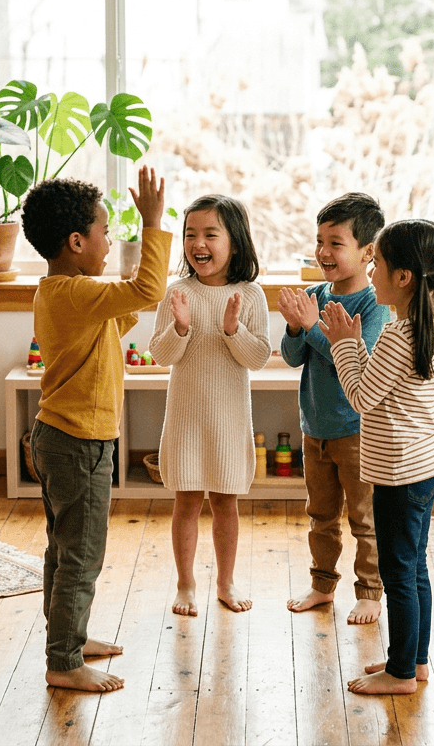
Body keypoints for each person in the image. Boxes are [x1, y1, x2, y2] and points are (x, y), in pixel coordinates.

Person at [24, 166, 169, 693]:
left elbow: (119, 314)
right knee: (81, 556)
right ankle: (63, 662)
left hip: (64, 438)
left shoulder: (63, 292)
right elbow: (147, 288)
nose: (110, 240)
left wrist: (139, 300)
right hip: (78, 443)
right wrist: (153, 224)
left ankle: (69, 637)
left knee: (64, 549)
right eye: (106, 232)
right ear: (76, 241)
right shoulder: (73, 293)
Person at [318, 218, 434, 696]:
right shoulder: (428, 323)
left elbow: (359, 396)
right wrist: (352, 345)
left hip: (400, 473)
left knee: (399, 575)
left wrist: (344, 345)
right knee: (413, 569)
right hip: (423, 466)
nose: (370, 272)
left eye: (377, 264)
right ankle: (412, 663)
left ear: (404, 278)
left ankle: (400, 674)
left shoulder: (399, 334)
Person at [150, 195, 271, 617]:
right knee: (186, 500)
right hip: (185, 417)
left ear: (234, 243)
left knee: (225, 502)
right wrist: (181, 327)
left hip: (229, 418)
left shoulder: (250, 295)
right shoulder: (177, 292)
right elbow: (161, 355)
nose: (197, 243)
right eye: (190, 235)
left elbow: (257, 358)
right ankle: (185, 584)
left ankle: (226, 581)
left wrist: (232, 330)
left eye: (209, 234)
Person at [279, 193, 390, 624]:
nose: (323, 252)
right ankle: (322, 585)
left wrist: (310, 326)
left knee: (364, 517)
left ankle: (369, 591)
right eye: (319, 241)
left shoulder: (373, 304)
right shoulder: (313, 294)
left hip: (356, 429)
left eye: (335, 243)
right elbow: (292, 357)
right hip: (315, 424)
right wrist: (294, 327)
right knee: (320, 515)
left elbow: (355, 358)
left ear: (367, 253)